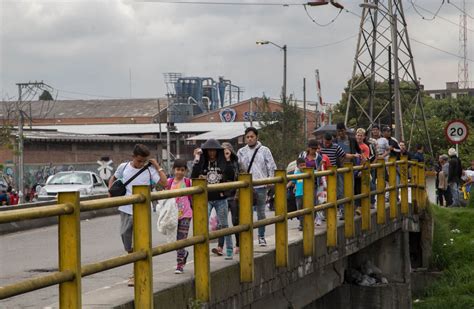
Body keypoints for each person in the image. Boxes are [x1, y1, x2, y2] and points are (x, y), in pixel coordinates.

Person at [108, 144, 167, 287]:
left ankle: (136, 272)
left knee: (140, 243)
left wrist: (157, 166)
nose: (141, 164)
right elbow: (113, 178)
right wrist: (110, 192)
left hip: (142, 211)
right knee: (126, 238)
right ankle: (137, 264)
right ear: (133, 157)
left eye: (144, 161)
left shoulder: (149, 170)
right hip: (125, 209)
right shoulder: (124, 167)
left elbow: (165, 183)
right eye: (139, 160)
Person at [191, 138, 235, 258]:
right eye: (209, 150)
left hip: (221, 197)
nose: (211, 153)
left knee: (224, 224)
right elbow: (193, 176)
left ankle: (229, 249)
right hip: (206, 198)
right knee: (202, 223)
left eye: (214, 150)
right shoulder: (202, 162)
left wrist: (227, 158)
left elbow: (231, 175)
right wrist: (197, 158)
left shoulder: (222, 161)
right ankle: (201, 250)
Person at [237, 127, 277, 246]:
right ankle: (247, 237)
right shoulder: (241, 152)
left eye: (252, 136)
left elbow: (271, 166)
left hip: (261, 184)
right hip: (246, 186)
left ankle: (261, 236)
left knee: (261, 212)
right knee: (246, 212)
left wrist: (270, 180)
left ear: (257, 137)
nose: (250, 139)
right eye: (247, 137)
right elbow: (238, 168)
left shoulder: (264, 150)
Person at [321, 132, 361, 218]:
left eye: (328, 143)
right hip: (323, 173)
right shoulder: (320, 148)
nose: (327, 144)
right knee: (324, 193)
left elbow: (344, 155)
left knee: (340, 191)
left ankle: (343, 211)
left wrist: (354, 155)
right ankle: (325, 213)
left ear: (331, 141)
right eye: (325, 143)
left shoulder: (335, 147)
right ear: (323, 141)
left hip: (334, 173)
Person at [165, 159, 193, 274]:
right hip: (173, 215)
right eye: (177, 170)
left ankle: (179, 265)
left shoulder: (188, 182)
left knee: (181, 239)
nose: (180, 172)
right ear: (173, 170)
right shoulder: (169, 182)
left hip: (185, 214)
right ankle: (184, 254)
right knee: (174, 241)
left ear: (185, 171)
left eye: (182, 170)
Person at [216, 142, 240, 255]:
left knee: (235, 221)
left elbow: (241, 177)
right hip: (222, 196)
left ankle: (238, 244)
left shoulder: (236, 163)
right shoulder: (217, 164)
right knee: (222, 223)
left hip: (234, 195)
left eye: (227, 151)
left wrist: (228, 160)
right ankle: (220, 247)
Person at [287, 158, 306, 231]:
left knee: (307, 210)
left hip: (307, 195)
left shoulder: (308, 172)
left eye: (304, 165)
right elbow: (292, 182)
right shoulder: (296, 174)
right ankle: (301, 224)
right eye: (301, 165)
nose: (303, 167)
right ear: (298, 166)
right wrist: (285, 187)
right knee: (299, 211)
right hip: (298, 195)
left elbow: (317, 172)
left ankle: (307, 223)